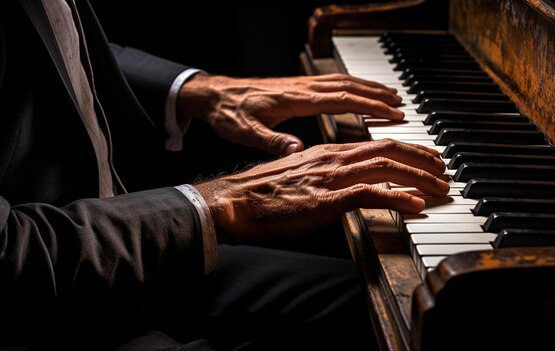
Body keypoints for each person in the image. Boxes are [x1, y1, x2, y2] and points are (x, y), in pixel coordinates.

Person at [0, 0, 449, 350]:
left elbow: (54, 45)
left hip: (119, 262)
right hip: (47, 316)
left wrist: (198, 89)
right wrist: (225, 202)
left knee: (436, 312)